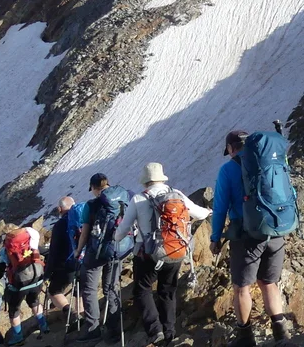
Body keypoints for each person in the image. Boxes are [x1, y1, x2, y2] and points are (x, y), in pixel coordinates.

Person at [210, 130, 294, 347]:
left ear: (230, 148)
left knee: (242, 287)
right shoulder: (268, 161)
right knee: (269, 283)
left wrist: (215, 237)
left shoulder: (228, 169)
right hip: (275, 230)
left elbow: (219, 207)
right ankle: (281, 334)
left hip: (246, 236)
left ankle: (245, 337)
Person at [114, 163, 210, 346]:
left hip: (148, 253)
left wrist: (115, 237)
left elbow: (123, 230)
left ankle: (154, 330)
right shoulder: (176, 194)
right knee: (167, 291)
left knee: (142, 289)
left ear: (145, 181)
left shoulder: (139, 199)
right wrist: (209, 211)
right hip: (176, 250)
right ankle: (169, 332)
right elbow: (199, 214)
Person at [73, 174, 124, 343]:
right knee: (111, 288)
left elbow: (85, 231)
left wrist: (78, 250)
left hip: (96, 252)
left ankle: (93, 328)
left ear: (94, 188)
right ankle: (114, 329)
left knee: (89, 289)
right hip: (118, 249)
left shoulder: (92, 205)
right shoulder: (122, 198)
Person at [0, 226, 48, 344]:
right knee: (34, 301)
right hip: (37, 278)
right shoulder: (30, 243)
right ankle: (44, 325)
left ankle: (18, 335)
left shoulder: (5, 250)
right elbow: (46, 252)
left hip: (19, 284)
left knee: (14, 309)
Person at [44, 196, 77, 320]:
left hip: (66, 265)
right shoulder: (83, 218)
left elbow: (54, 252)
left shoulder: (60, 225)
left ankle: (71, 314)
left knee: (54, 291)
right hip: (84, 261)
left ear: (60, 209)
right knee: (81, 290)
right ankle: (84, 317)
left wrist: (47, 274)